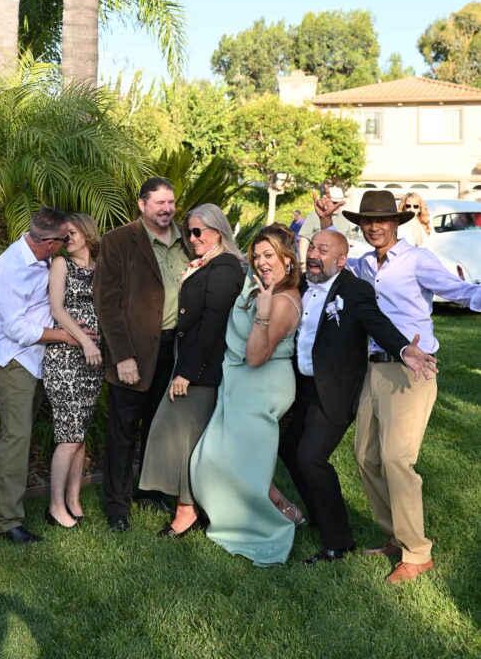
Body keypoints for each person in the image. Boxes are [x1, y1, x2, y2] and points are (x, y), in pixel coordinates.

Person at [315, 188, 481, 583]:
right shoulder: (363, 265)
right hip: (373, 370)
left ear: (395, 223)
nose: (374, 227)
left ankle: (418, 553)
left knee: (396, 460)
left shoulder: (417, 260)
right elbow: (331, 264)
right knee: (365, 457)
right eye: (367, 221)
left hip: (412, 370)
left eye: (381, 220)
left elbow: (459, 290)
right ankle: (397, 536)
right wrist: (325, 222)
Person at [278, 229, 437, 567]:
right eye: (312, 247)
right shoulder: (301, 285)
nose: (314, 254)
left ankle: (338, 544)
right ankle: (321, 514)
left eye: (323, 250)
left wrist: (403, 348)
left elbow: (375, 322)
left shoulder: (354, 290)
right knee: (287, 445)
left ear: (341, 261)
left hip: (334, 390)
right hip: (299, 385)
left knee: (311, 458)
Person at [189, 227, 302, 566]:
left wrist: (263, 315)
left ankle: (269, 527)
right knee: (217, 460)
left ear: (287, 259)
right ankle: (285, 510)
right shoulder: (259, 287)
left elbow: (255, 357)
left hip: (262, 386)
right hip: (238, 383)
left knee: (238, 464)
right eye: (257, 255)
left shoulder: (282, 300)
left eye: (270, 255)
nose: (261, 262)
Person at [0, 207, 93, 545]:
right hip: (16, 359)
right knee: (17, 438)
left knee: (11, 437)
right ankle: (8, 521)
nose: (67, 242)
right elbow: (16, 329)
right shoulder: (9, 269)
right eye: (64, 238)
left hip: (37, 359)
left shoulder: (44, 258)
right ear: (48, 242)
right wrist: (66, 336)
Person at [138, 204, 245, 537]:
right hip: (188, 364)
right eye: (189, 231)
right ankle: (191, 507)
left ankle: (187, 511)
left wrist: (188, 371)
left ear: (219, 231)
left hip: (202, 371)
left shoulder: (225, 266)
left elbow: (213, 324)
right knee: (180, 438)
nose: (192, 237)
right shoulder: (206, 263)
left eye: (199, 231)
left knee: (182, 439)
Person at [94, 177, 189, 532]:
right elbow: (107, 303)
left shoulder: (187, 239)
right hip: (134, 351)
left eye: (171, 202)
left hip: (175, 349)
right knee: (123, 432)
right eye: (159, 203)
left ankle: (149, 491)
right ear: (142, 204)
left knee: (159, 427)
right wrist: (122, 355)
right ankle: (117, 506)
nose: (167, 209)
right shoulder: (118, 240)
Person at [42, 214, 104, 528]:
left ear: (88, 234)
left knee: (80, 434)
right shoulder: (60, 264)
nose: (67, 239)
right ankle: (55, 507)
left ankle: (74, 501)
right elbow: (57, 308)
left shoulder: (101, 268)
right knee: (69, 435)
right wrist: (85, 342)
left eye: (72, 233)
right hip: (65, 358)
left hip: (93, 361)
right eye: (64, 235)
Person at [298, 185, 355, 272]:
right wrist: (303, 265)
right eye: (334, 202)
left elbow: (347, 242)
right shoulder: (314, 216)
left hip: (336, 267)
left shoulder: (345, 218)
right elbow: (304, 240)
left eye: (339, 203)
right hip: (315, 264)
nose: (336, 206)